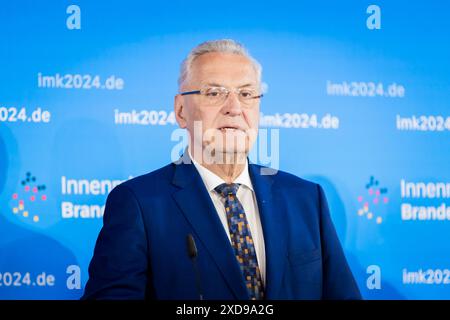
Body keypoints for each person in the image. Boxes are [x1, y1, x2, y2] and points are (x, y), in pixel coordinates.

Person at [81, 39, 361, 300]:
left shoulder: (306, 199)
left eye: (247, 93)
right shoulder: (139, 203)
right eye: (214, 93)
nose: (234, 108)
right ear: (180, 111)